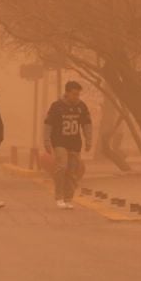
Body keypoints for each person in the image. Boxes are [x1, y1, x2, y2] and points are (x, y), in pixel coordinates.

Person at [44, 81, 93, 209]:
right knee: (62, 166)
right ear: (67, 93)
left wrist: (89, 140)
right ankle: (59, 196)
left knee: (72, 170)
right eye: (74, 94)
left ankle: (68, 198)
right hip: (59, 141)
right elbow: (48, 124)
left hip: (75, 143)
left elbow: (87, 124)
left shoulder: (81, 106)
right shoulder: (57, 106)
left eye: (78, 94)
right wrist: (47, 141)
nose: (76, 97)